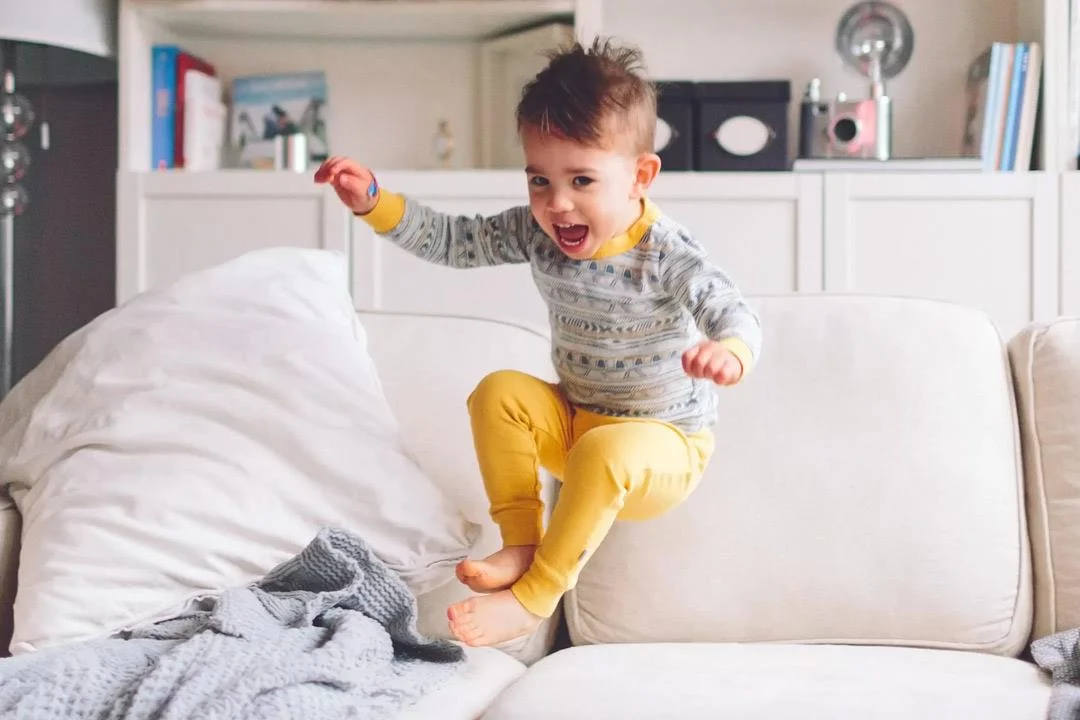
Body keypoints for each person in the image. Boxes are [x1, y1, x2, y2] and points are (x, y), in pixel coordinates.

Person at [314, 37, 762, 648]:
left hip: (664, 445)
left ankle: (534, 596)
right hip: (576, 423)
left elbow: (732, 310)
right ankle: (521, 543)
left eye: (582, 180)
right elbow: (454, 241)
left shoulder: (665, 252)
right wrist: (374, 203)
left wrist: (730, 351)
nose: (558, 204)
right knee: (498, 393)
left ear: (640, 177)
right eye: (539, 180)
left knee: (605, 452)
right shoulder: (537, 231)